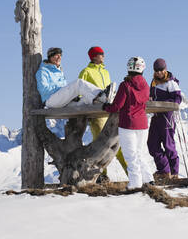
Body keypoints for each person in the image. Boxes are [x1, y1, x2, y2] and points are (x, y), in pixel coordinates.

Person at [104, 57, 154, 189]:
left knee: (131, 155)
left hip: (128, 124)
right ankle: (149, 179)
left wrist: (106, 107)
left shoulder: (125, 85)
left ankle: (135, 183)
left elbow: (117, 106)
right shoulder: (145, 85)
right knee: (140, 153)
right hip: (142, 123)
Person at [79, 46, 128, 179]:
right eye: (101, 54)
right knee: (101, 145)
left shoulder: (105, 72)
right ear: (93, 56)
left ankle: (132, 174)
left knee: (117, 144)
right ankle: (101, 176)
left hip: (109, 112)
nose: (103, 56)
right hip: (96, 114)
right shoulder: (86, 72)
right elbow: (80, 90)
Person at [36, 47, 115, 108]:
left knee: (84, 100)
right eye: (56, 55)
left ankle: (102, 99)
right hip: (50, 100)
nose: (59, 57)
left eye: (60, 56)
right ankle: (102, 96)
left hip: (61, 100)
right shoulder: (43, 71)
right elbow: (44, 90)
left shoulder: (59, 71)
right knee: (78, 83)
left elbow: (64, 88)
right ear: (50, 57)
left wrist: (71, 95)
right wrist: (62, 89)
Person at [147, 58, 182, 181]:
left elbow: (178, 99)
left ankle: (174, 172)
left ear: (165, 69)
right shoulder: (153, 82)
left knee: (168, 145)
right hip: (156, 116)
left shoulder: (171, 82)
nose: (159, 73)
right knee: (152, 144)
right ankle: (164, 170)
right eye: (156, 70)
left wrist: (163, 103)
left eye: (161, 70)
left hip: (167, 117)